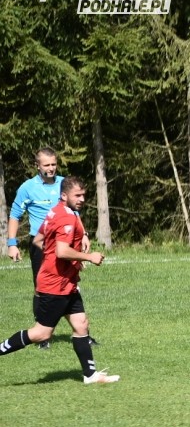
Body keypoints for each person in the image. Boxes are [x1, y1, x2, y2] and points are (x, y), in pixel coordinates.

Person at [0, 177, 119, 384]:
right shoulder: (66, 218)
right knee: (41, 334)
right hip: (55, 285)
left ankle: (90, 375)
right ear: (64, 195)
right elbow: (62, 251)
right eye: (77, 195)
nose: (82, 199)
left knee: (81, 324)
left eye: (83, 195)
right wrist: (88, 257)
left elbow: (39, 240)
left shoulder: (56, 211)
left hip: (66, 282)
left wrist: (65, 260)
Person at [6, 147, 99, 347]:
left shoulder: (64, 184)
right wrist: (12, 244)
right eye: (46, 165)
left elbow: (74, 212)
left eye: (54, 164)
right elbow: (15, 215)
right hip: (41, 244)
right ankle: (43, 335)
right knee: (42, 289)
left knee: (70, 284)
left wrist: (83, 234)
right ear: (37, 166)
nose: (51, 168)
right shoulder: (27, 188)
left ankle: (82, 333)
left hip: (66, 241)